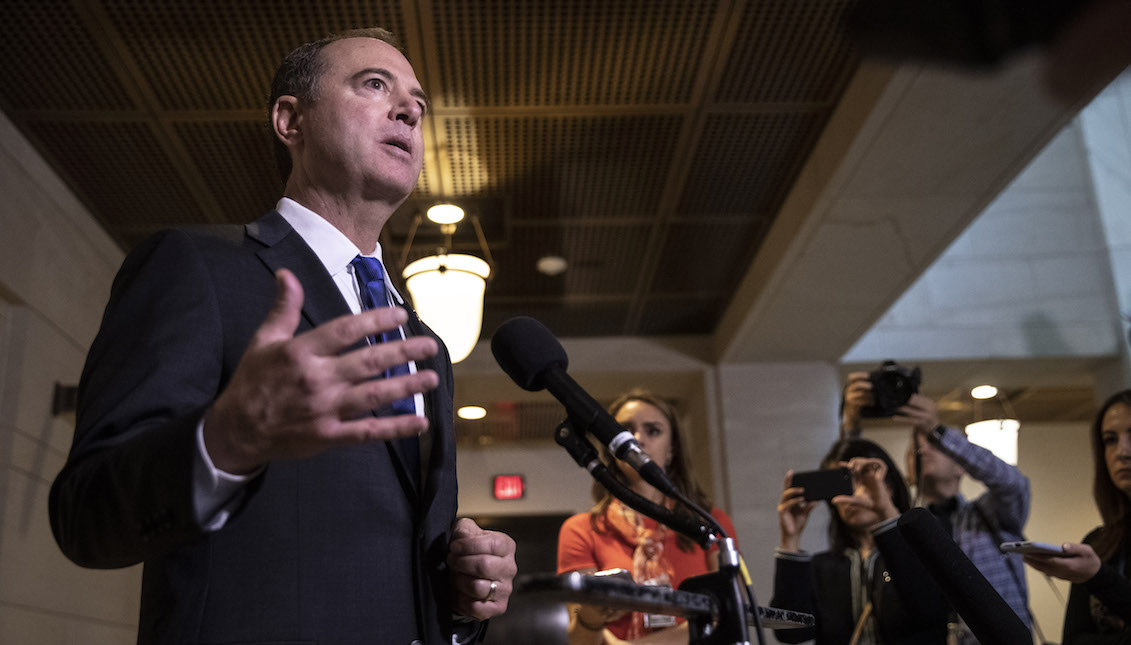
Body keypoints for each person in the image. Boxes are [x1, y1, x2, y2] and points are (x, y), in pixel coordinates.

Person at [48, 27, 516, 645]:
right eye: (375, 85)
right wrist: (226, 439)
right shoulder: (197, 269)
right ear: (290, 121)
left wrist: (460, 597)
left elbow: (398, 551)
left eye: (418, 104)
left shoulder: (425, 344)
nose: (409, 109)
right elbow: (85, 514)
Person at [841, 373, 1033, 643]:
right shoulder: (901, 529)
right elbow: (851, 483)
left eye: (933, 444)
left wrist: (937, 430)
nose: (922, 448)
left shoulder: (989, 516)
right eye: (914, 448)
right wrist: (851, 426)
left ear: (961, 463)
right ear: (908, 470)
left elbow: (1013, 484)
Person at [556, 390, 737, 644]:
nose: (638, 439)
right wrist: (592, 617)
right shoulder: (581, 529)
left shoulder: (709, 522)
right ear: (611, 446)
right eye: (626, 431)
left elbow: (727, 618)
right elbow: (580, 638)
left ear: (672, 448)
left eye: (653, 431)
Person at [772, 438, 949, 645]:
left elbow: (930, 613)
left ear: (889, 485)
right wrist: (790, 539)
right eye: (842, 482)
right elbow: (790, 633)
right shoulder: (823, 567)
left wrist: (885, 511)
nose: (854, 492)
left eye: (863, 478)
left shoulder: (923, 552)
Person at [1022, 389, 1131, 644]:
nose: (1122, 452)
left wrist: (1097, 576)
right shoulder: (1099, 542)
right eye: (1110, 440)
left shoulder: (1095, 559)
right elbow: (1073, 639)